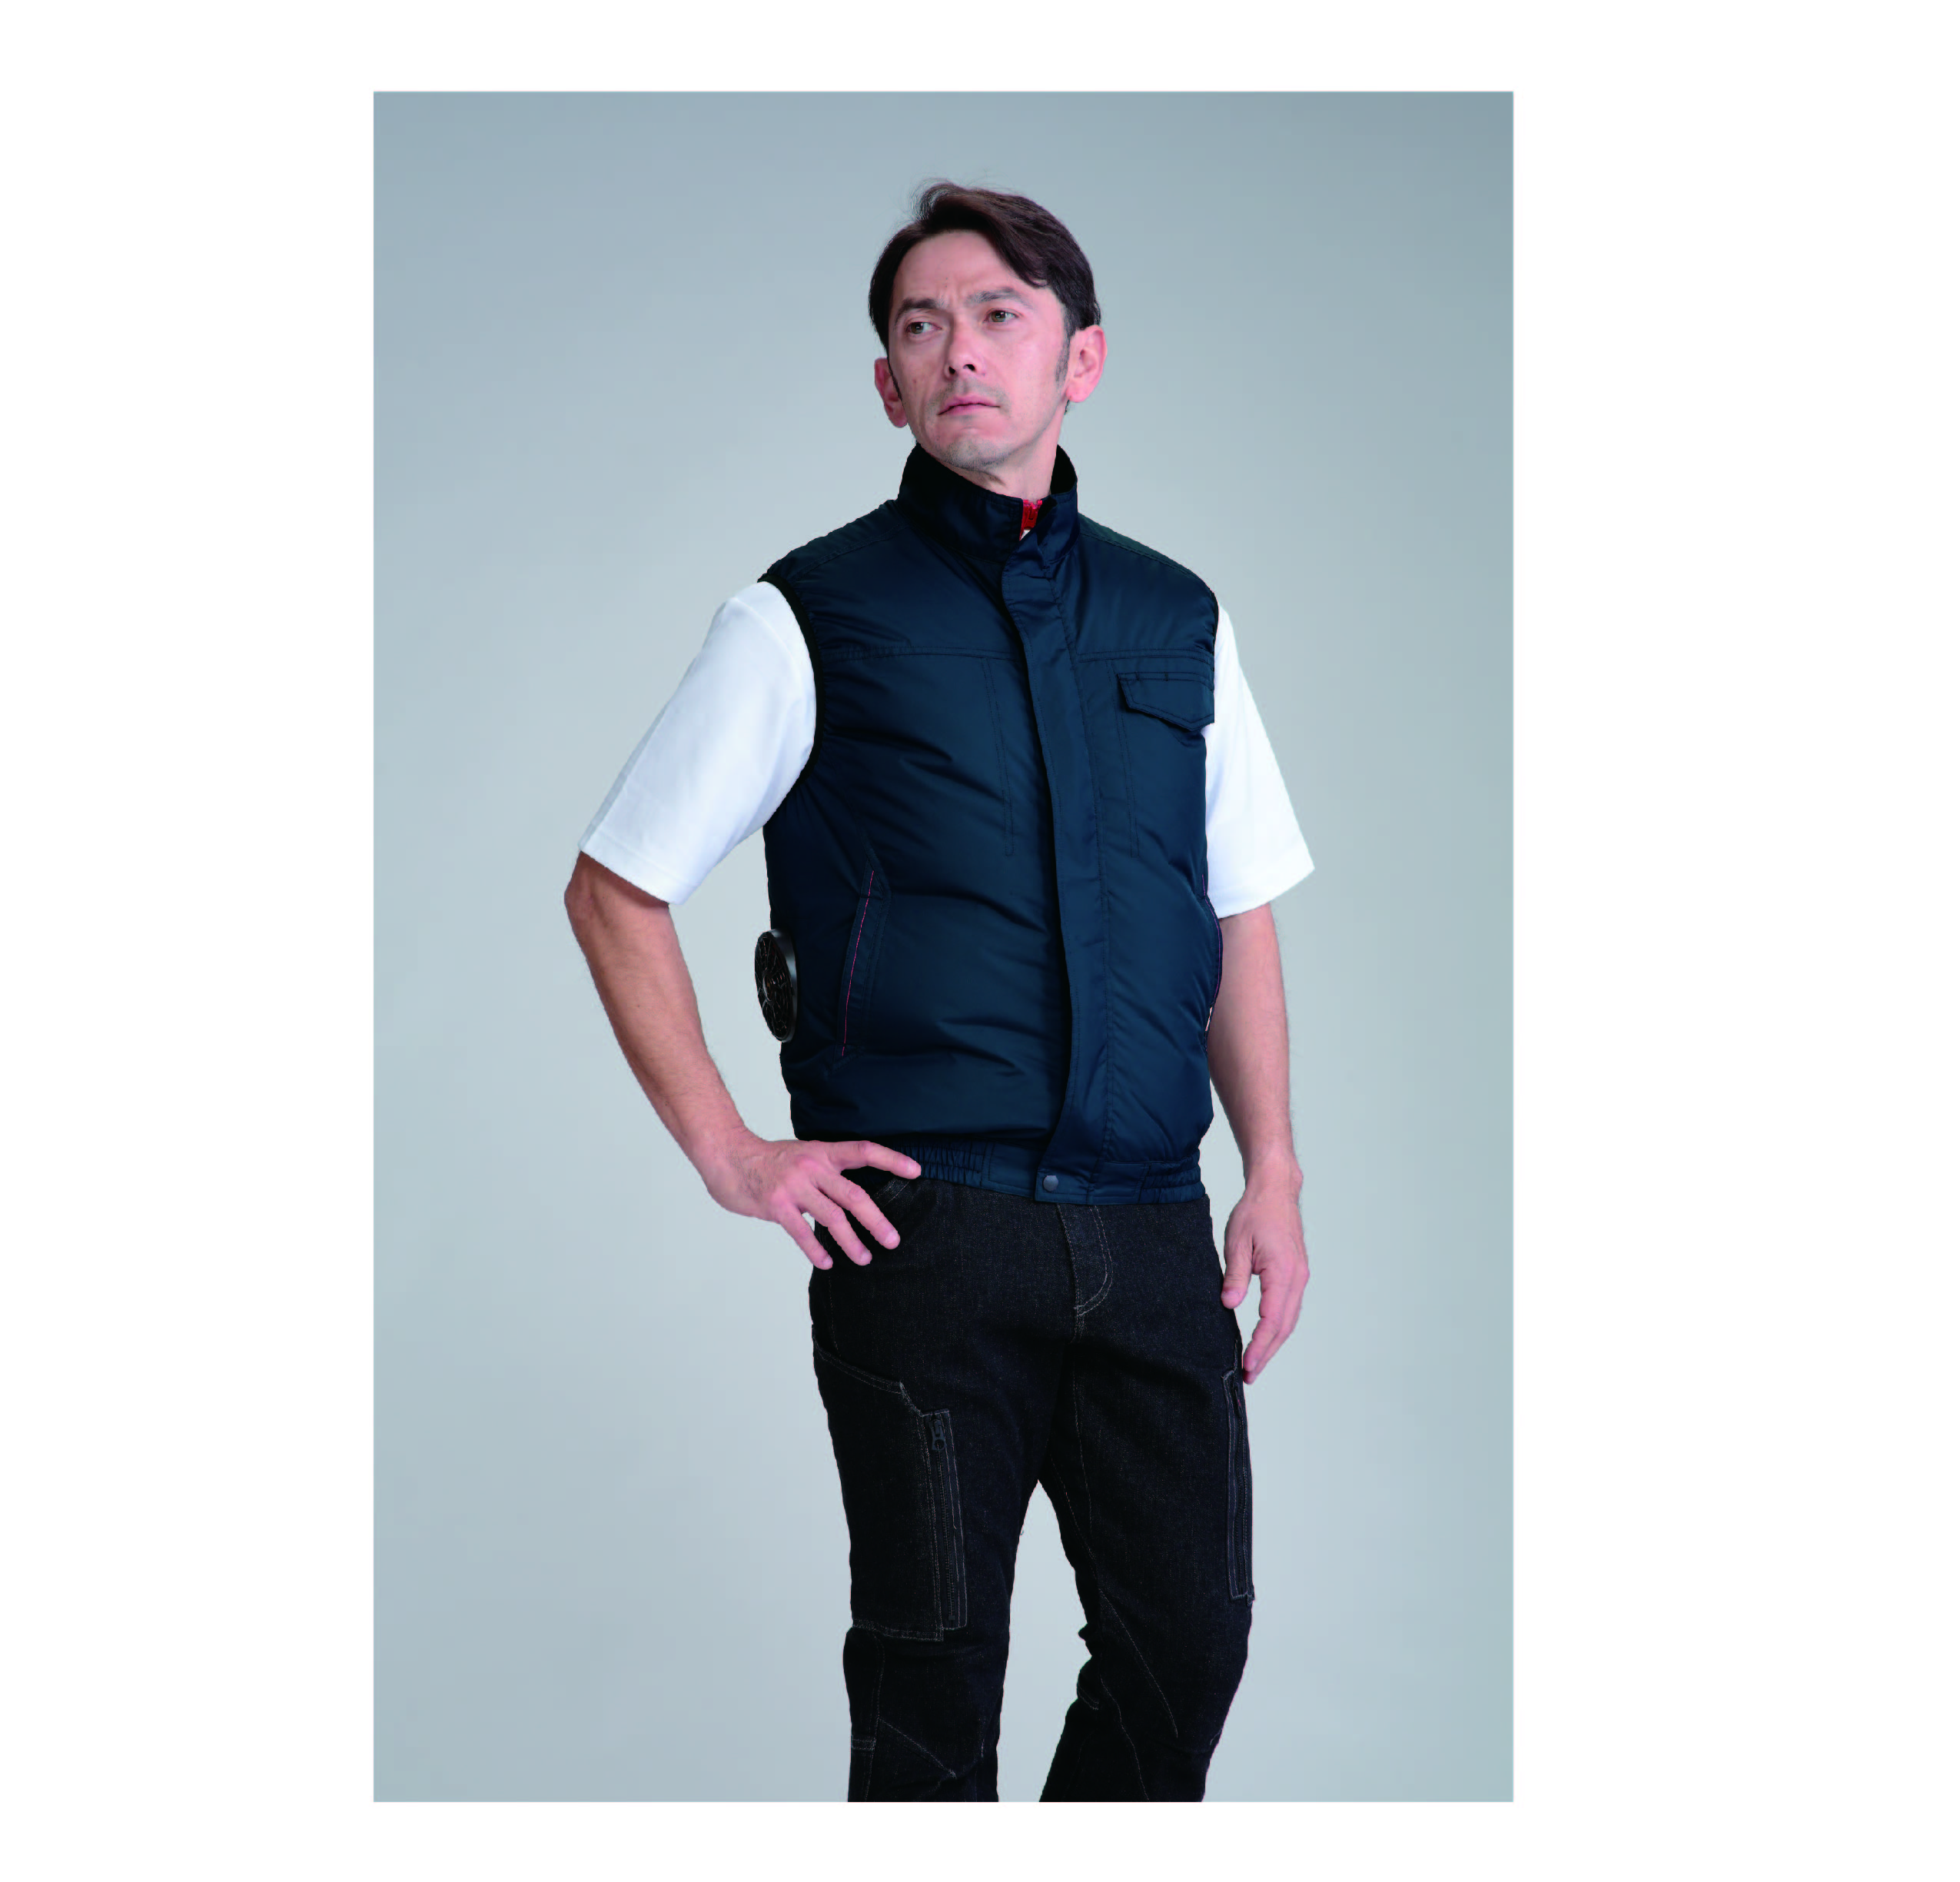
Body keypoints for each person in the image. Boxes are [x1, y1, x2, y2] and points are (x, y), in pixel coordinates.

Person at [564, 182, 1314, 1801]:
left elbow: (1236, 904)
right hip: (928, 1237)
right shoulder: (806, 615)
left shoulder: (1176, 619)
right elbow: (616, 885)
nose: (958, 351)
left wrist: (1272, 1171)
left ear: (1078, 360)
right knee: (931, 1687)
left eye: (996, 317)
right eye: (920, 327)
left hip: (1148, 1226)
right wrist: (732, 1151)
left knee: (1188, 1645)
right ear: (887, 384)